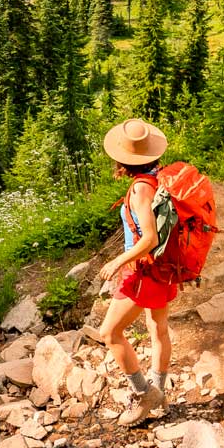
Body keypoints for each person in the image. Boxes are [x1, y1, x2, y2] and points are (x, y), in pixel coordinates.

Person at [97, 117, 175, 426]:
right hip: (164, 267)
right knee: (158, 330)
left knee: (110, 333)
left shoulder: (141, 188)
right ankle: (159, 394)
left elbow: (150, 239)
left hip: (142, 270)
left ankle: (144, 395)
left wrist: (118, 261)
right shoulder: (159, 177)